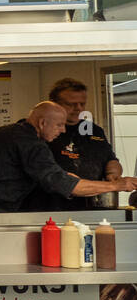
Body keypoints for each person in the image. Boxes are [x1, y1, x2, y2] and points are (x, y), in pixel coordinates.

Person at [0, 101, 137, 219]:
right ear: (43, 123)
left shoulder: (9, 132)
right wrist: (118, 186)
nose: (63, 131)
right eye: (59, 125)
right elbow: (63, 184)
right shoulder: (30, 143)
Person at [42, 77, 123, 209]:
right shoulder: (42, 130)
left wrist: (113, 173)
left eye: (82, 104)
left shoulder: (94, 130)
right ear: (53, 104)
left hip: (92, 205)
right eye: (71, 104)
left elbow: (111, 159)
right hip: (50, 206)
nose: (78, 108)